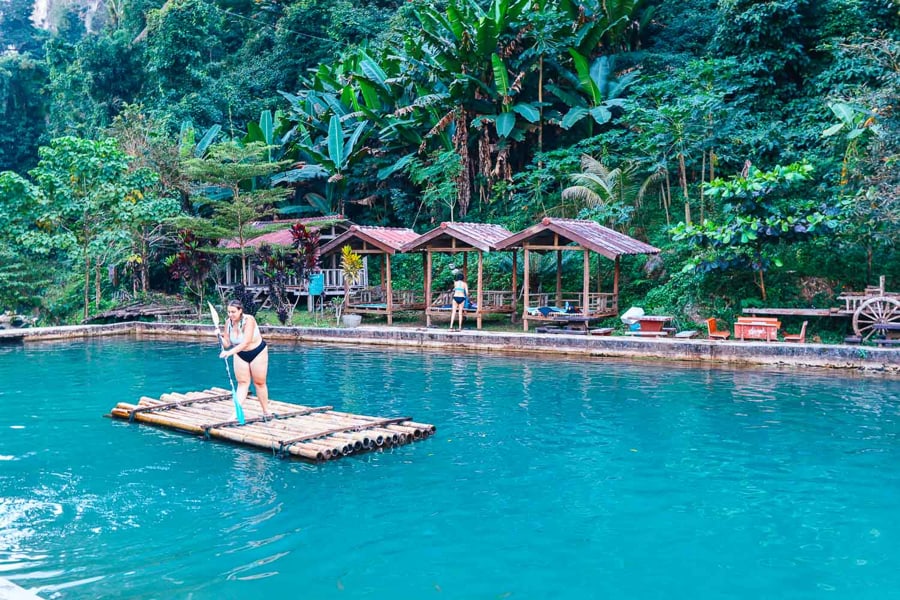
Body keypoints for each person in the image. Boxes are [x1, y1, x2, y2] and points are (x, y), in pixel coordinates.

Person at [218, 300, 270, 417]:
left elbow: (246, 342)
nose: (230, 315)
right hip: (240, 353)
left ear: (240, 311)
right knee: (242, 383)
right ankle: (236, 413)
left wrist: (229, 352)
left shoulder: (249, 320)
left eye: (233, 312)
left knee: (259, 382)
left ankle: (266, 411)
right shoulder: (228, 323)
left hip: (257, 352)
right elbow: (227, 343)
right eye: (229, 312)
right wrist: (219, 337)